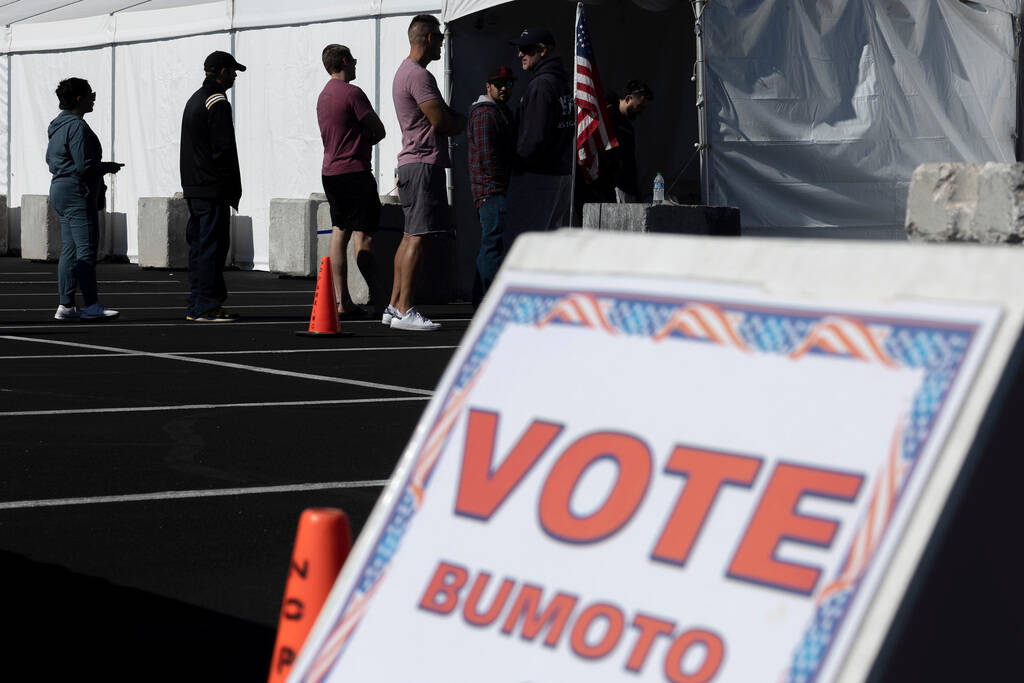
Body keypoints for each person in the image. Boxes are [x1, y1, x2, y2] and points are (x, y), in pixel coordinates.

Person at [387, 14, 465, 331]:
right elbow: (442, 121)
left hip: (412, 163)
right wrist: (465, 121)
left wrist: (452, 117)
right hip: (422, 163)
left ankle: (394, 305)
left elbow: (441, 114)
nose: (443, 44)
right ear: (429, 38)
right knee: (417, 239)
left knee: (409, 237)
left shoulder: (407, 73)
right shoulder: (419, 76)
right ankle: (405, 308)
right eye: (441, 39)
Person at [317, 44, 387, 319]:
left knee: (339, 231)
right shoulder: (353, 94)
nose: (356, 65)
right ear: (344, 61)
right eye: (354, 61)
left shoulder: (323, 95)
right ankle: (382, 300)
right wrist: (363, 140)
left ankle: (342, 300)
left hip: (330, 172)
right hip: (355, 171)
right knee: (364, 235)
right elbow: (379, 129)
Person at [46, 77, 123, 321]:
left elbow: (55, 160)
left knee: (70, 249)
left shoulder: (56, 125)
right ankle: (91, 306)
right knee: (86, 250)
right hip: (77, 190)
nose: (94, 98)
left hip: (60, 188)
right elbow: (83, 166)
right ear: (79, 98)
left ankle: (66, 305)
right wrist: (107, 167)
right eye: (91, 94)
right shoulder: (77, 126)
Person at [180, 50, 245, 322]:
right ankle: (207, 305)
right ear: (222, 72)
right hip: (211, 187)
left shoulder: (195, 99)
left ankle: (199, 302)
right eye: (232, 72)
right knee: (211, 248)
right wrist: (231, 187)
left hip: (195, 186)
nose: (234, 77)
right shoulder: (216, 102)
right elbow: (224, 150)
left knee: (199, 247)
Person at [506, 26, 574, 239]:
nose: (520, 54)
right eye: (519, 49)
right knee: (549, 242)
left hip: (539, 177)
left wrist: (517, 165)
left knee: (526, 242)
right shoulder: (563, 83)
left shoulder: (542, 85)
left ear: (543, 50)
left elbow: (533, 137)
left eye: (526, 49)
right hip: (561, 173)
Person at [467, 65, 517, 307]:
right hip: (491, 191)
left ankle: (480, 298)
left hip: (493, 190)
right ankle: (486, 300)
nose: (505, 88)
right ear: (488, 86)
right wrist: (499, 191)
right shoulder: (486, 113)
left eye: (508, 84)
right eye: (499, 84)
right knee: (492, 246)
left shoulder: (500, 110)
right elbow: (488, 159)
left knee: (492, 244)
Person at [573, 80, 654, 217]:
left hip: (620, 188)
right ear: (628, 98)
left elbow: (629, 161)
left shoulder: (627, 128)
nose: (640, 112)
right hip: (598, 186)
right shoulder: (608, 115)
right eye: (639, 107)